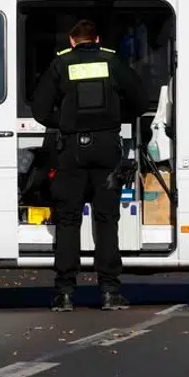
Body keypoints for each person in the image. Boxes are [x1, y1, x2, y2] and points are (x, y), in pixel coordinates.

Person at [31, 19, 148, 312]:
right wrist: (115, 117)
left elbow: (40, 110)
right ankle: (109, 292)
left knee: (69, 221)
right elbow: (140, 100)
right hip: (107, 148)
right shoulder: (112, 61)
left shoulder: (61, 64)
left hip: (71, 150)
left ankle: (65, 294)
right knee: (106, 220)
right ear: (96, 39)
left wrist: (67, 123)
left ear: (72, 41)